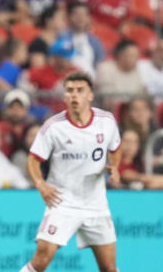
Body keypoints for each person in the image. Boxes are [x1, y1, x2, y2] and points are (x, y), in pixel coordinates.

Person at [21, 71, 121, 272]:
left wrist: (115, 167)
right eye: (69, 91)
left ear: (90, 95)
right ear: (64, 96)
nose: (74, 95)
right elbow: (33, 159)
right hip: (62, 201)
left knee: (109, 267)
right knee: (41, 259)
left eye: (80, 90)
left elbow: (115, 149)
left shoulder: (107, 122)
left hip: (96, 203)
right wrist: (41, 184)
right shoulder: (54, 127)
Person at [61, 2, 105, 77]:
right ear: (69, 17)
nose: (80, 18)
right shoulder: (61, 37)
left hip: (91, 82)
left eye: (84, 15)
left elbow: (100, 65)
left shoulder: (95, 41)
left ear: (89, 18)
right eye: (76, 14)